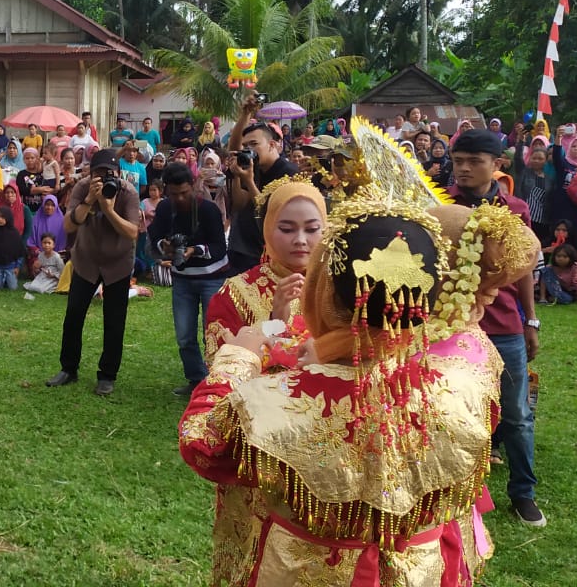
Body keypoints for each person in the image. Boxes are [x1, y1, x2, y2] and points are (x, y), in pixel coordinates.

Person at [179, 201, 502, 585]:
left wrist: (239, 357)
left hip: (306, 570)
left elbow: (202, 443)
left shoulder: (274, 400)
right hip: (421, 568)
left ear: (325, 293)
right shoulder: (471, 371)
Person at [194, 180, 326, 585]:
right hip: (258, 453)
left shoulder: (342, 292)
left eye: (312, 228)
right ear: (267, 229)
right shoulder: (234, 294)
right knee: (254, 554)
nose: (300, 240)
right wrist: (274, 319)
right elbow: (226, 372)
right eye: (287, 229)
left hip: (326, 450)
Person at [447, 129, 545, 526]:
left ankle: (523, 493)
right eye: (458, 162)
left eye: (474, 162)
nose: (464, 169)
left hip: (503, 323)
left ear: (497, 165)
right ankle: (458, 494)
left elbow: (522, 270)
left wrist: (530, 320)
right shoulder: (440, 204)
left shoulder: (516, 209)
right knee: (454, 411)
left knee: (517, 413)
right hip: (452, 324)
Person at [46, 149, 141, 396]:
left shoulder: (127, 192)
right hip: (86, 260)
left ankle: (107, 375)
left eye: (110, 173)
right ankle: (68, 369)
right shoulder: (82, 187)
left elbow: (132, 232)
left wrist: (108, 209)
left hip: (117, 262)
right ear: (90, 172)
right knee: (74, 315)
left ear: (118, 173)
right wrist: (89, 200)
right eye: (99, 172)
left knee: (114, 321)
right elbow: (68, 225)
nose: (104, 177)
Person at [146, 162, 229, 396]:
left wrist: (195, 250)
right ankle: (196, 380)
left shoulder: (208, 210)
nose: (180, 198)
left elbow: (220, 248)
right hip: (182, 279)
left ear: (193, 186)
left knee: (212, 333)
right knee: (184, 334)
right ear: (166, 191)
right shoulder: (164, 208)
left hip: (213, 277)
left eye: (184, 193)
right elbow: (154, 236)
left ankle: (217, 383)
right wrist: (165, 246)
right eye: (174, 194)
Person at [225, 116, 300, 273]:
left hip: (269, 253)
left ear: (272, 144)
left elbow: (273, 214)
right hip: (241, 248)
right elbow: (239, 203)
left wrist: (250, 182)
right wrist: (237, 176)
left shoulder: (289, 173)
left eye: (254, 144)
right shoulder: (252, 167)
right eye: (245, 146)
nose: (249, 150)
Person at [0, 206, 25, 289]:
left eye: (3, 217)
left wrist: (17, 266)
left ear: (8, 218)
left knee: (13, 288)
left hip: (10, 266)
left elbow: (20, 251)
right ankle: (2, 280)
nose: (0, 219)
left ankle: (6, 280)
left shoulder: (14, 233)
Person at [16, 147, 54, 213]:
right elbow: (22, 190)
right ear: (23, 160)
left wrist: (33, 190)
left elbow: (49, 188)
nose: (30, 160)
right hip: (26, 210)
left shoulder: (43, 173)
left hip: (43, 210)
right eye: (27, 158)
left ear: (37, 159)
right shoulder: (21, 174)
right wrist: (40, 189)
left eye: (32, 158)